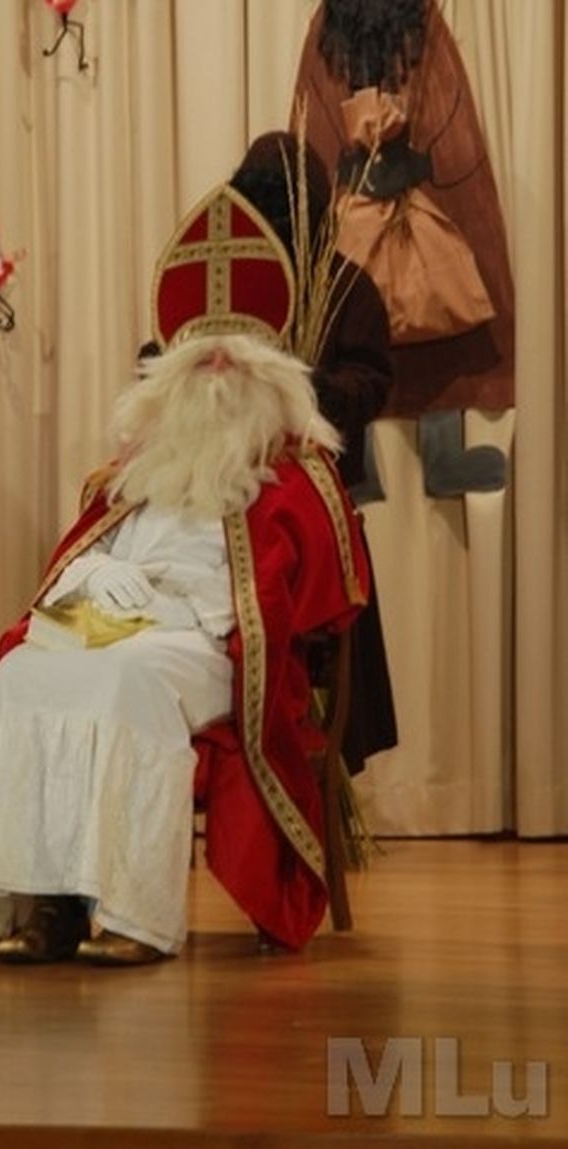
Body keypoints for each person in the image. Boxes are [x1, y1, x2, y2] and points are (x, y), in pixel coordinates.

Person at [0, 183, 370, 965]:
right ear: (170, 381)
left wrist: (180, 603)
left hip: (210, 648)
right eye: (200, 366)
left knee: (123, 680)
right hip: (115, 630)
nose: (215, 378)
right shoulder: (136, 471)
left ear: (269, 380)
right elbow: (80, 554)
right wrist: (94, 580)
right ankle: (47, 906)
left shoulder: (297, 474)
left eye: (234, 366)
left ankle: (134, 915)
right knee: (23, 669)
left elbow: (309, 596)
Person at [230, 130, 397, 774]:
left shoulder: (347, 289)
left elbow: (368, 386)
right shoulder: (228, 282)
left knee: (313, 691)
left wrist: (293, 385)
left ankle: (315, 794)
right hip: (223, 519)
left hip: (311, 522)